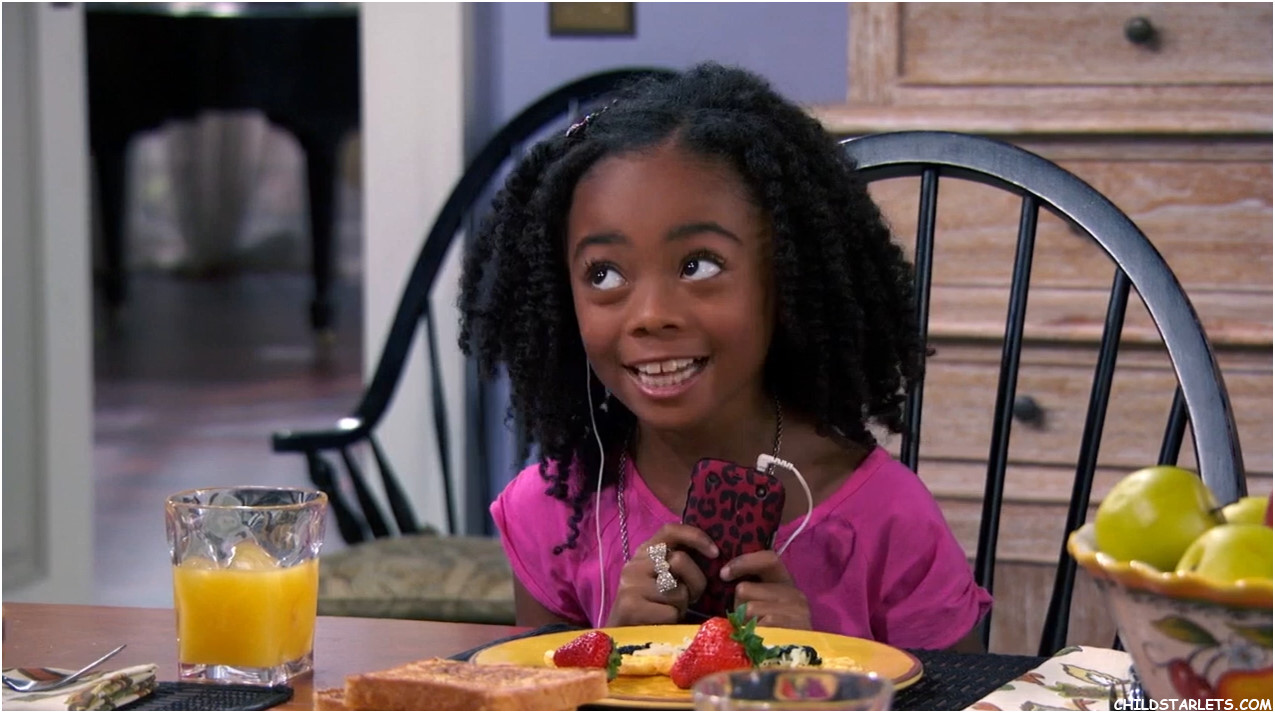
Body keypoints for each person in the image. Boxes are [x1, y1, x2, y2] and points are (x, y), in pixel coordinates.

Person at [459, 62, 991, 652]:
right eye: (604, 274)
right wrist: (611, 648)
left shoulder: (888, 519)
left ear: (785, 280)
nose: (649, 314)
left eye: (698, 266)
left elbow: (969, 693)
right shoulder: (554, 515)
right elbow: (533, 690)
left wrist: (816, 663)